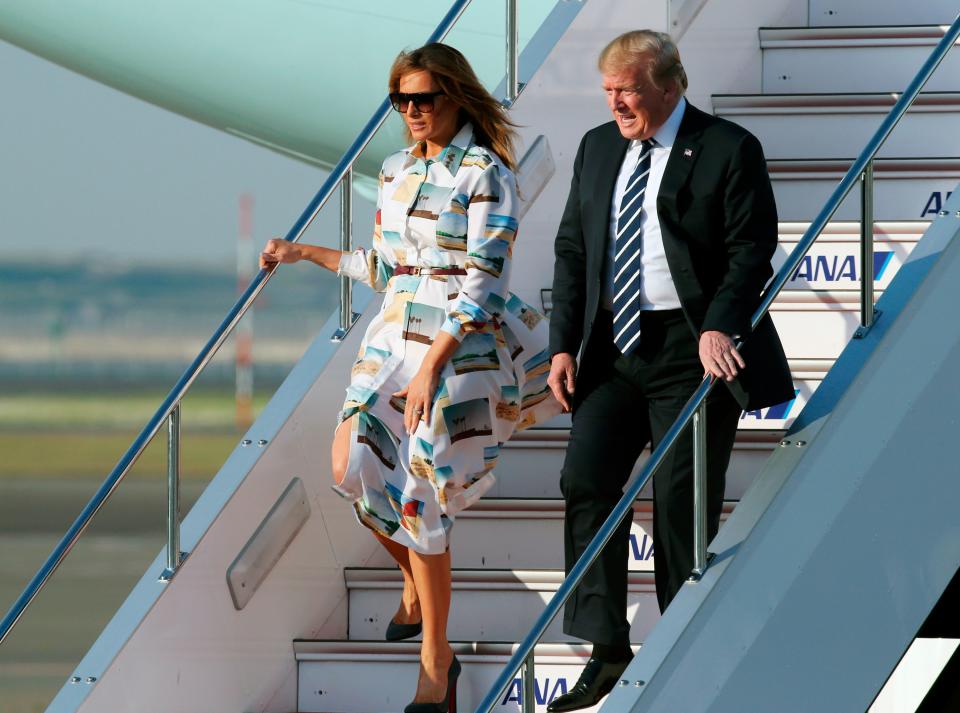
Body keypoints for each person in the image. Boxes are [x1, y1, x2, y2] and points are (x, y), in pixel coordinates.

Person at [260, 43, 558, 713]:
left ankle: (435, 660)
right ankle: (415, 582)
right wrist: (303, 251)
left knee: (420, 489)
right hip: (393, 332)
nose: (414, 111)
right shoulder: (393, 170)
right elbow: (386, 267)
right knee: (348, 463)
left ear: (455, 96)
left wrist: (433, 366)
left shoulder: (486, 172)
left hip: (460, 339)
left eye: (426, 98)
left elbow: (485, 280)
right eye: (403, 100)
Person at [544, 30, 794, 713]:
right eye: (607, 90)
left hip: (692, 349)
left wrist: (720, 322)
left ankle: (682, 648)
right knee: (584, 480)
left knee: (680, 505)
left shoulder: (727, 148)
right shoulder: (599, 148)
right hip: (613, 352)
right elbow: (572, 249)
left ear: (669, 83)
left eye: (626, 88)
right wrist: (562, 343)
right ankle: (606, 649)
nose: (615, 101)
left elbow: (751, 249)